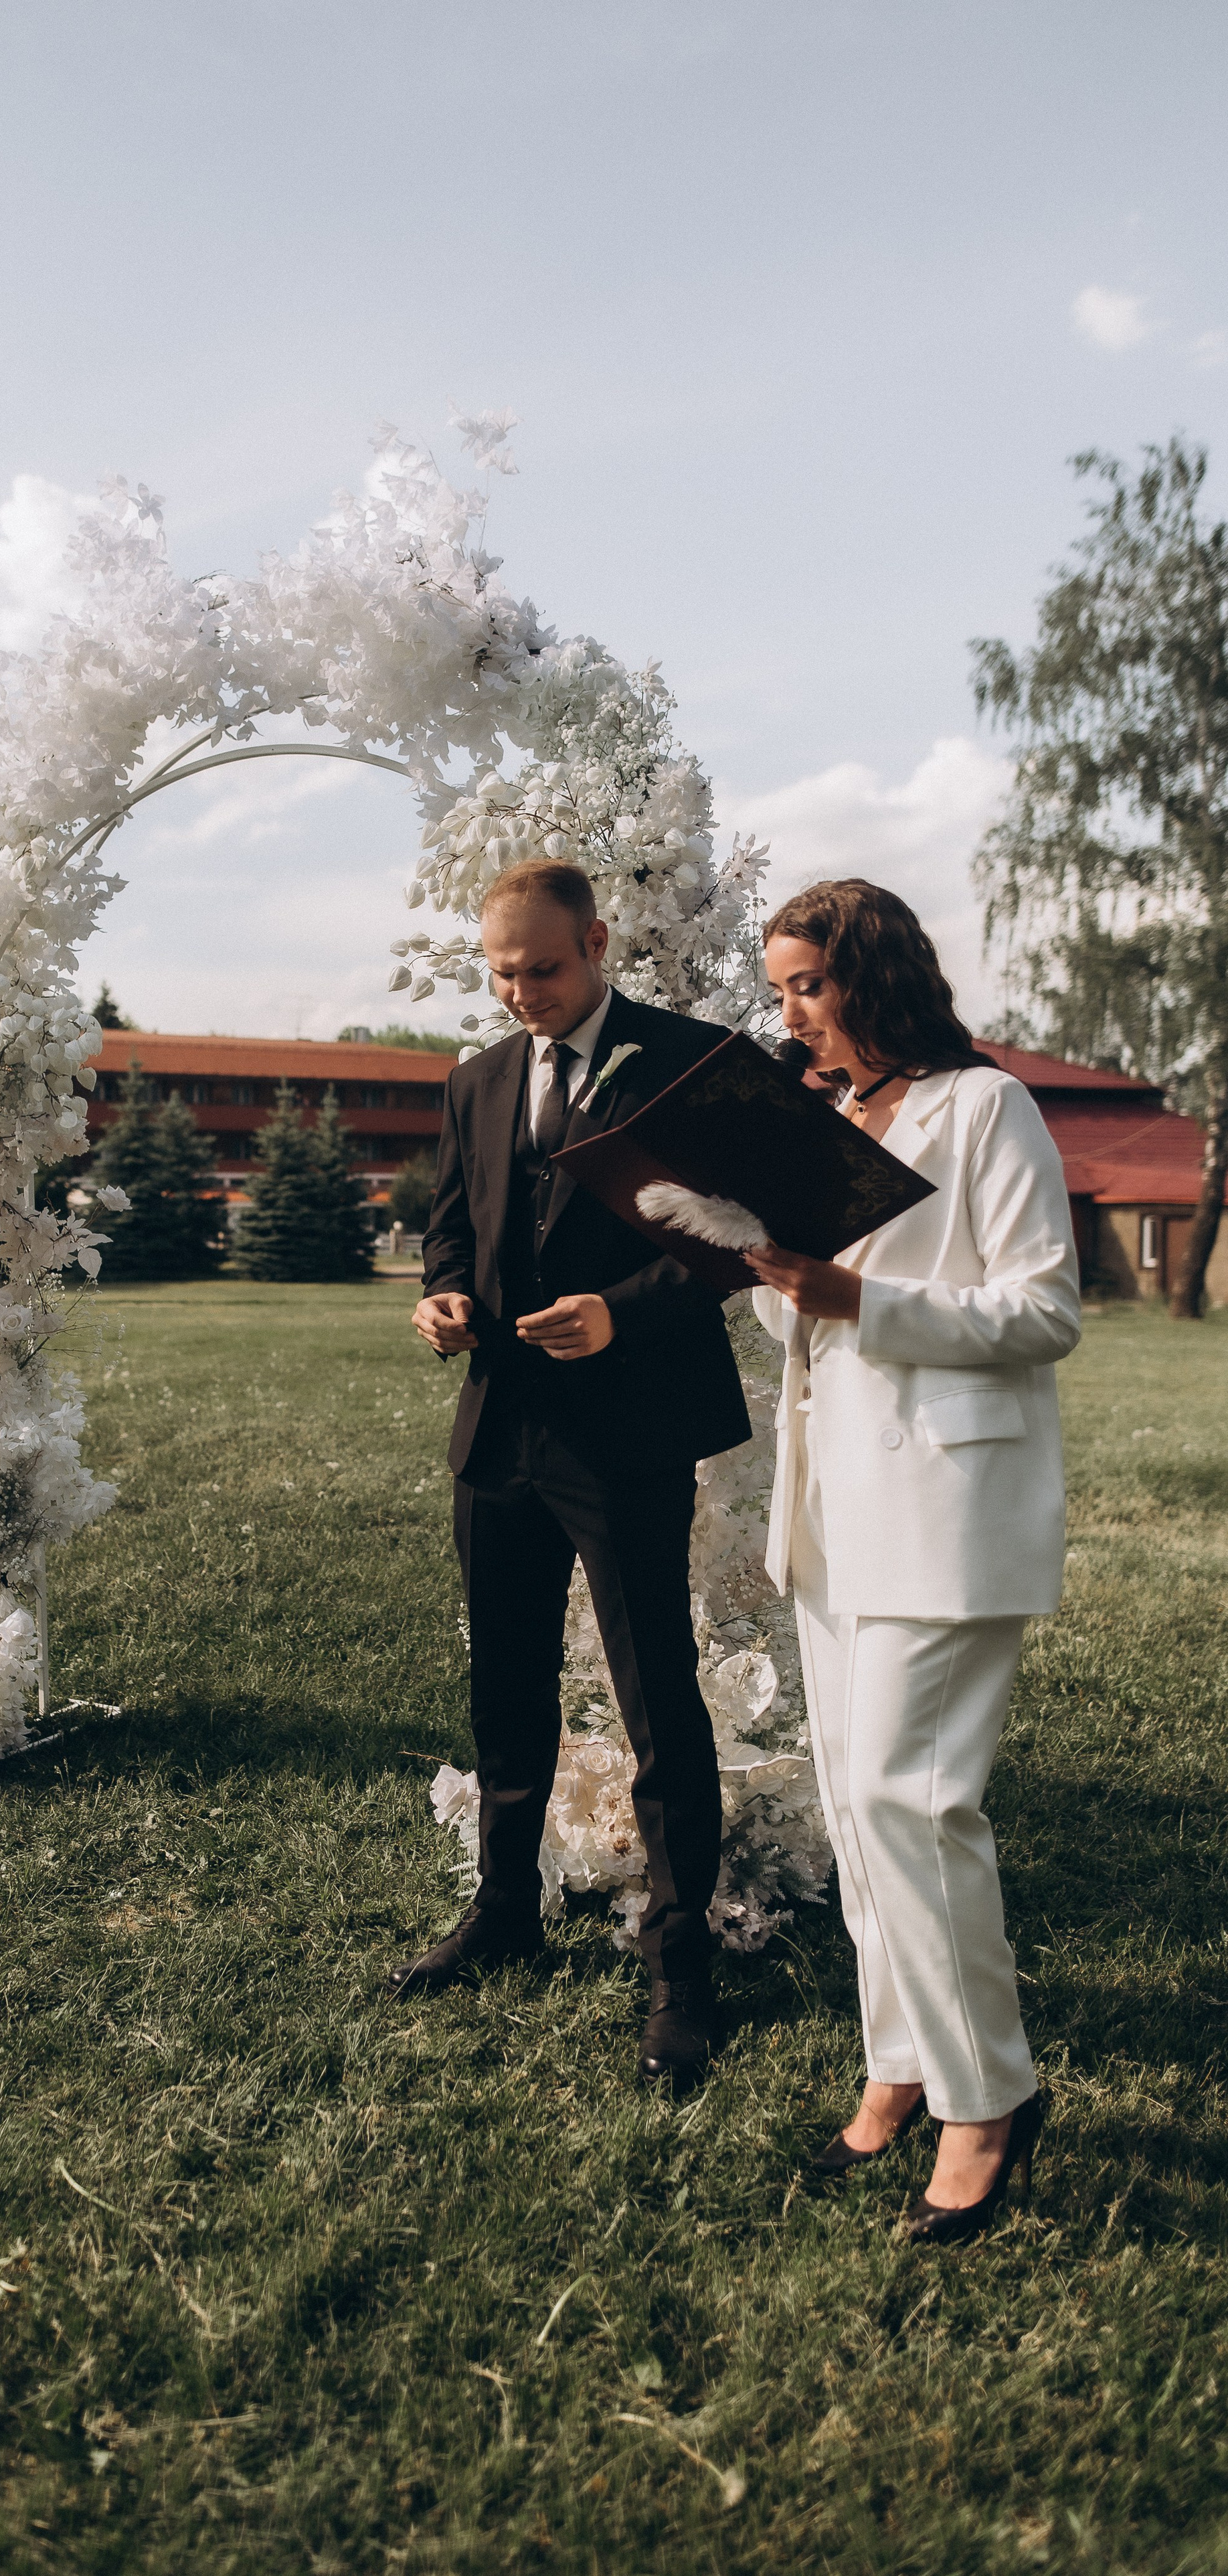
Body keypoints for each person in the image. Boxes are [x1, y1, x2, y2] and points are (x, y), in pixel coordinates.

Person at [746, 879, 1079, 2242]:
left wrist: (854, 1297)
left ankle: (985, 2095)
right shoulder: (820, 1125)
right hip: (832, 1511)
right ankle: (896, 2059)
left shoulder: (983, 1107)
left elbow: (1042, 1306)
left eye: (805, 987)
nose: (788, 1015)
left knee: (905, 1796)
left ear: (871, 978)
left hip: (945, 1510)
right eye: (775, 991)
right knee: (847, 1802)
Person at [396, 860, 752, 2089]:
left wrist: (622, 1311)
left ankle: (679, 1969)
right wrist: (441, 1295)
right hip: (501, 1430)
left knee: (659, 1693)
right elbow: (452, 1220)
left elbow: (738, 1236)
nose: (520, 992)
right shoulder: (477, 1078)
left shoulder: (690, 1060)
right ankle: (505, 1911)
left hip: (632, 1428)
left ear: (597, 944)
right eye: (500, 971)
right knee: (504, 1680)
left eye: (541, 968)